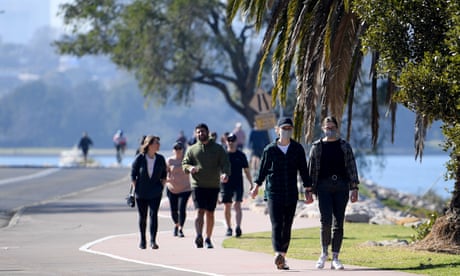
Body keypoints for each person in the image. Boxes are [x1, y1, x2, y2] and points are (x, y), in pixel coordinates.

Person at [250, 117, 310, 270]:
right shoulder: (270, 149)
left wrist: (308, 190)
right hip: (273, 193)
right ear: (277, 130)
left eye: (289, 128)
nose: (286, 131)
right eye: (284, 128)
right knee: (277, 224)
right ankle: (278, 253)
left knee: (287, 225)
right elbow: (262, 170)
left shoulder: (297, 149)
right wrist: (256, 186)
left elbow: (304, 171)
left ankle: (282, 256)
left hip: (291, 193)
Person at [307, 116, 359, 270]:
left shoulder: (344, 146)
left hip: (341, 187)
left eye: (332, 128)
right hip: (323, 187)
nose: (329, 130)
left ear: (337, 128)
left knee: (339, 223)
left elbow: (352, 167)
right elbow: (310, 170)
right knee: (326, 221)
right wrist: (308, 190)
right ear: (322, 128)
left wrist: (354, 188)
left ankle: (335, 257)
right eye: (327, 128)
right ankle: (324, 253)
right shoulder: (317, 147)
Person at [182, 123, 231, 249]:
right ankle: (199, 235)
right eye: (198, 132)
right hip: (197, 185)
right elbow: (185, 164)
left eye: (202, 131)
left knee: (210, 213)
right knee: (199, 211)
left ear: (207, 133)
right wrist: (190, 168)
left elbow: (225, 163)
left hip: (213, 185)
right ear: (195, 134)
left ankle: (208, 238)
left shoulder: (217, 148)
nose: (200, 134)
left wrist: (225, 174)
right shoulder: (192, 149)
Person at [130, 135, 167, 250]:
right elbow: (133, 174)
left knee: (153, 215)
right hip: (141, 193)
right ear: (149, 145)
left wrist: (161, 187)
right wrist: (136, 187)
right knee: (143, 217)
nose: (158, 145)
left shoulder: (160, 158)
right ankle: (142, 240)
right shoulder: (140, 158)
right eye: (156, 143)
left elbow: (164, 175)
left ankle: (153, 241)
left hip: (155, 192)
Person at [221, 133, 254, 237]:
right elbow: (217, 169)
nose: (231, 142)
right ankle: (229, 227)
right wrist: (221, 176)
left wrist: (251, 183)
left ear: (236, 142)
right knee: (227, 205)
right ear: (226, 141)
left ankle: (238, 227)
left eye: (233, 140)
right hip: (226, 183)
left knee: (237, 204)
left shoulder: (241, 155)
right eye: (229, 140)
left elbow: (247, 171)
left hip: (238, 183)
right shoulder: (223, 155)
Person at [166, 142, 192, 238]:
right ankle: (176, 224)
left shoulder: (187, 160)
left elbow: (193, 170)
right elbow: (164, 173)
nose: (178, 150)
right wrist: (166, 180)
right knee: (173, 211)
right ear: (173, 150)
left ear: (183, 149)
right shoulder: (169, 161)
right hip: (171, 188)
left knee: (182, 208)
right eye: (176, 148)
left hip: (185, 189)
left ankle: (181, 228)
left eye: (179, 148)